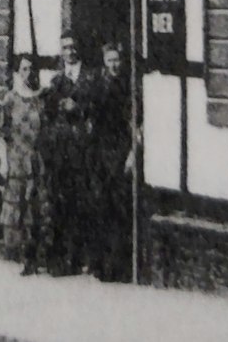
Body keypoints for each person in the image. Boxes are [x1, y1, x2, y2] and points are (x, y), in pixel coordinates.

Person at [40, 36, 96, 275]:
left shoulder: (90, 78)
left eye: (73, 47)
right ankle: (63, 260)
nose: (69, 52)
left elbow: (97, 108)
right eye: (65, 48)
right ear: (60, 52)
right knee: (61, 203)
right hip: (62, 152)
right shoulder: (56, 80)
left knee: (83, 203)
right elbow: (49, 117)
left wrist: (79, 108)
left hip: (85, 150)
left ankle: (83, 258)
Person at [0, 55, 50, 275]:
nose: (29, 73)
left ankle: (36, 256)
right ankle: (24, 258)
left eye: (32, 69)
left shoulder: (42, 99)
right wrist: (3, 161)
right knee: (19, 209)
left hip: (37, 162)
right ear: (18, 73)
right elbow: (2, 133)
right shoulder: (10, 100)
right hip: (17, 161)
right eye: (25, 69)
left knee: (37, 209)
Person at [89, 42, 133, 281]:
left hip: (120, 149)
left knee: (118, 208)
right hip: (100, 150)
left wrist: (131, 153)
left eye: (117, 60)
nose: (114, 65)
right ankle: (100, 264)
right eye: (109, 61)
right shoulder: (97, 86)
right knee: (100, 205)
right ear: (104, 63)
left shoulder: (128, 86)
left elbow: (133, 121)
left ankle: (116, 267)